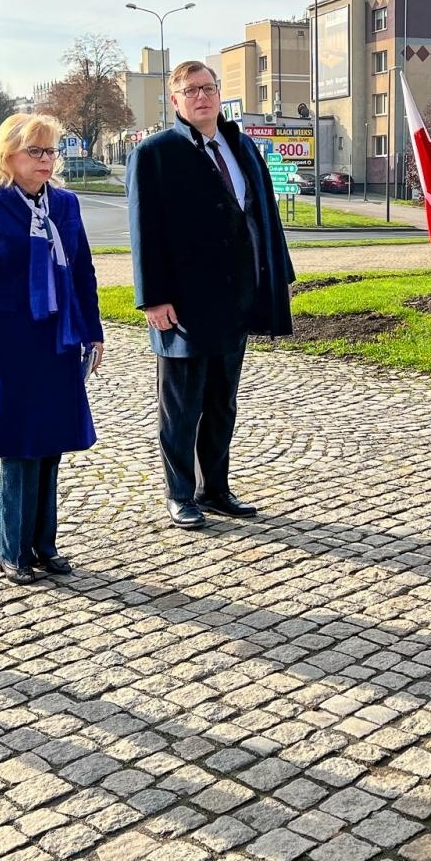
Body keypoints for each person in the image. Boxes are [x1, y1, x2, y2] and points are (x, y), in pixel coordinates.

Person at [127, 61, 294, 529]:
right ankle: (180, 493)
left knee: (223, 402)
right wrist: (153, 298)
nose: (201, 96)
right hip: (182, 303)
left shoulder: (241, 146)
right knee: (182, 405)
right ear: (175, 100)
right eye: (190, 90)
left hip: (236, 298)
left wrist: (276, 277)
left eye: (208, 88)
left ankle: (215, 489)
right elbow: (144, 231)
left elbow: (263, 215)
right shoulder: (155, 153)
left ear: (219, 94)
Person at [0, 113, 104, 584]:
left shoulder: (65, 204)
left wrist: (93, 330)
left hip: (59, 340)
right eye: (35, 151)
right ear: (8, 155)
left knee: (52, 443)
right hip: (7, 343)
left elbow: (82, 270)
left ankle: (45, 544)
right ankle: (12, 548)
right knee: (19, 447)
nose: (45, 160)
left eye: (51, 151)